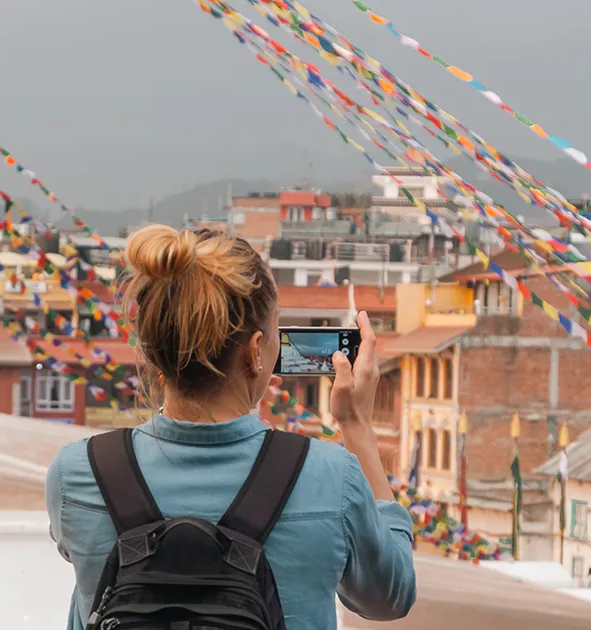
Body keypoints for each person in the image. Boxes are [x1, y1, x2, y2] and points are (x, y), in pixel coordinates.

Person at [45, 226, 417, 630]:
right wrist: (356, 426)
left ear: (150, 347)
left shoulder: (78, 472)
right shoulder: (330, 475)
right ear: (256, 350)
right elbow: (390, 596)